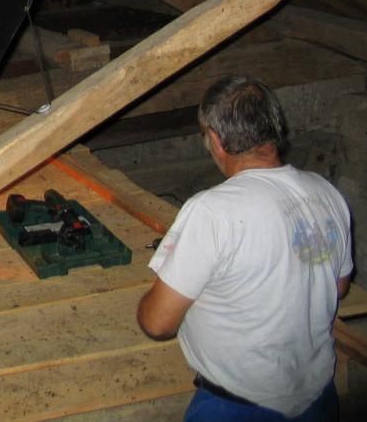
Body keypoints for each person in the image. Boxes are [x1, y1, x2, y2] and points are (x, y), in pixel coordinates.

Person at [136, 75, 353, 422]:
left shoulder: (211, 210)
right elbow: (338, 285)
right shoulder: (326, 193)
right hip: (316, 399)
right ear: (273, 128)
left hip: (238, 406)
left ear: (217, 140)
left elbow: (157, 324)